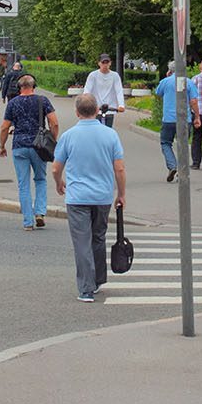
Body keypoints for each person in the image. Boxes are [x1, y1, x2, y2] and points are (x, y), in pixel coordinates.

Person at [52, 93, 126, 302]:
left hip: (77, 197)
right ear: (96, 111)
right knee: (98, 237)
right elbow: (119, 168)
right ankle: (97, 279)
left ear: (76, 112)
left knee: (82, 242)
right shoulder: (110, 135)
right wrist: (121, 194)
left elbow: (56, 168)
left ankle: (86, 288)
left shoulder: (68, 136)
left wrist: (59, 182)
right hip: (102, 197)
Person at [0, 75, 59, 230]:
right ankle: (39, 212)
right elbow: (54, 122)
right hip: (39, 147)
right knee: (40, 179)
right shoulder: (42, 101)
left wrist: (2, 145)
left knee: (23, 185)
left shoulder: (13, 103)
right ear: (34, 86)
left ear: (19, 87)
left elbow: (5, 127)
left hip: (19, 146)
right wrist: (52, 139)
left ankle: (27, 222)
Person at [82, 54, 125, 129]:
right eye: (103, 63)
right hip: (96, 109)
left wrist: (121, 105)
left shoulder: (115, 76)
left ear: (110, 63)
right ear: (99, 63)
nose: (105, 65)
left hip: (110, 109)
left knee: (108, 130)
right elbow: (87, 91)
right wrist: (87, 103)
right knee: (95, 130)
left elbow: (119, 91)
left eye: (107, 62)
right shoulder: (93, 75)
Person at [152, 70, 180, 182]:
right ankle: (182, 172)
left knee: (165, 143)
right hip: (184, 119)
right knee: (183, 145)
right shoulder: (188, 81)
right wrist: (196, 116)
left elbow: (158, 94)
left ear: (169, 71)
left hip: (169, 118)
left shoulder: (165, 81)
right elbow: (193, 100)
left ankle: (172, 166)